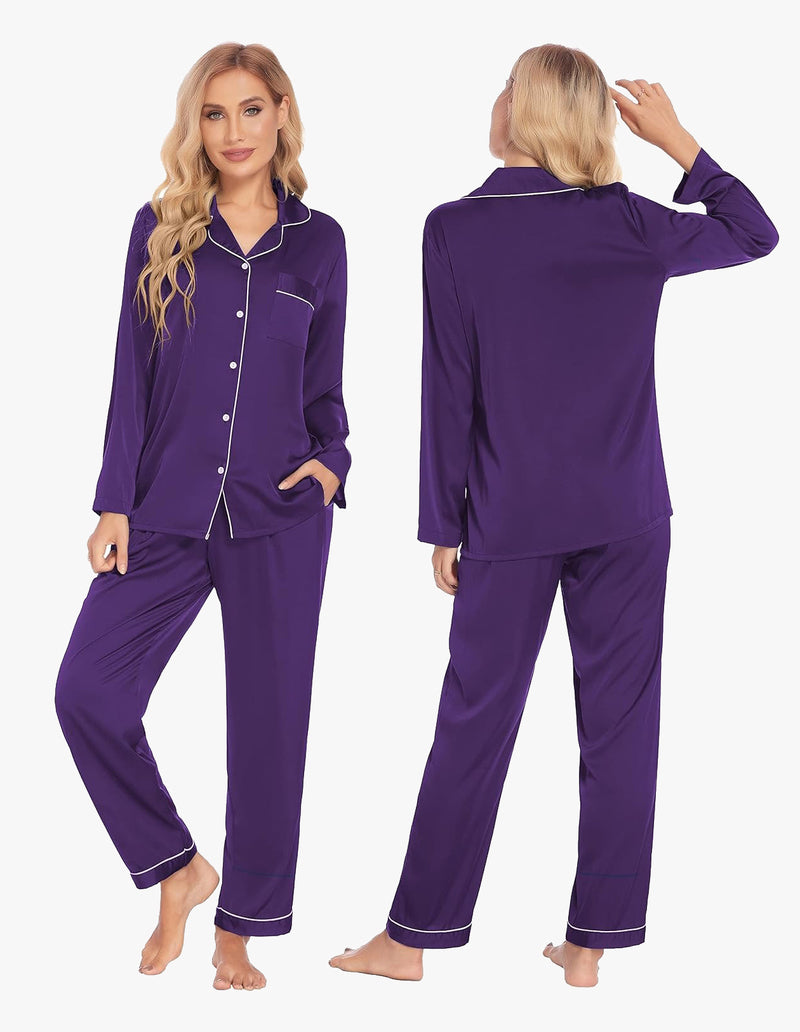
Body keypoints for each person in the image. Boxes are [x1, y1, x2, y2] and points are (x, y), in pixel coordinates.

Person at [329, 43, 778, 988]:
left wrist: (442, 523)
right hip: (628, 513)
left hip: (508, 515)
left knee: (473, 724)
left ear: (524, 110)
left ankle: (410, 941)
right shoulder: (628, 221)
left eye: (506, 88)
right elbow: (753, 231)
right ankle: (590, 947)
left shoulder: (456, 229)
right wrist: (680, 144)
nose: (495, 101)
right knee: (622, 729)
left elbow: (447, 386)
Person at [54, 42, 351, 991]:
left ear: (281, 113)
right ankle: (177, 867)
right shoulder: (161, 228)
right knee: (87, 694)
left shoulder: (321, 242)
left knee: (270, 728)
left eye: (250, 109)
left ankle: (240, 932)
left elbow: (325, 387)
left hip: (281, 514)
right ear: (197, 125)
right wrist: (114, 500)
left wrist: (333, 463)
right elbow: (129, 375)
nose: (233, 132)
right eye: (214, 114)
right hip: (166, 511)